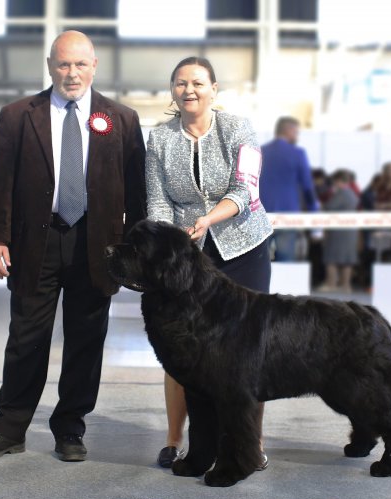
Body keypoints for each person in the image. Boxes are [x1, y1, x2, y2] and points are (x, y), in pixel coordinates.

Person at [0, 30, 146, 462]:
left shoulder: (121, 119)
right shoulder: (17, 116)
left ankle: (70, 429)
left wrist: (134, 254)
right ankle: (10, 427)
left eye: (80, 64)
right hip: (35, 245)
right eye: (63, 64)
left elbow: (136, 193)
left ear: (94, 66)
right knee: (26, 338)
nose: (72, 73)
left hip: (96, 248)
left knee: (86, 342)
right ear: (50, 66)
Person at [146, 56, 273, 470]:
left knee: (245, 351)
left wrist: (208, 219)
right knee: (180, 346)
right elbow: (158, 200)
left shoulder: (239, 128)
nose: (189, 90)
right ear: (172, 90)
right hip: (187, 257)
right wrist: (170, 242)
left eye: (198, 83)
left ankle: (250, 445)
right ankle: (174, 439)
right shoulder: (160, 138)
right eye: (180, 83)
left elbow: (246, 190)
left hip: (243, 247)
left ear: (214, 89)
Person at [259, 116, 317, 261]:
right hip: (287, 215)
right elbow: (307, 187)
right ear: (288, 130)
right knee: (286, 261)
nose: (297, 136)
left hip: (259, 215)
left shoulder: (259, 152)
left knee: (260, 262)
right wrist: (314, 213)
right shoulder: (298, 154)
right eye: (296, 132)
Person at [318, 170, 360, 293]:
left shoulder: (342, 193)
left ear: (339, 180)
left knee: (331, 256)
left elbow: (329, 206)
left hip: (338, 230)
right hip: (350, 229)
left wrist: (322, 205)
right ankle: (346, 285)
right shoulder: (352, 194)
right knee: (348, 258)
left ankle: (331, 284)